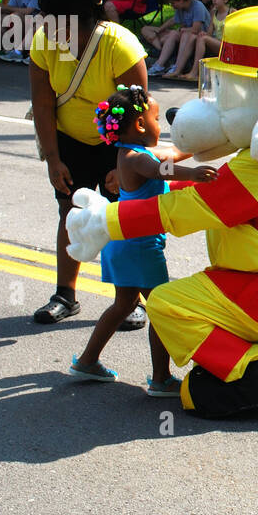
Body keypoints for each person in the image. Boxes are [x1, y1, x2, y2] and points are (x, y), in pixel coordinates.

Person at [68, 86, 217, 393]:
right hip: (139, 247)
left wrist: (210, 142)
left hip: (123, 242)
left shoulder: (129, 153)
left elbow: (173, 154)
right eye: (157, 118)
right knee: (161, 308)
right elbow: (163, 169)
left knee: (122, 305)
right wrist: (193, 174)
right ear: (139, 125)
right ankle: (161, 378)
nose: (160, 125)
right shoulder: (137, 158)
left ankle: (86, 361)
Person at [29, 0, 150, 329]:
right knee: (71, 213)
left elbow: (137, 114)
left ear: (79, 19)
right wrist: (53, 159)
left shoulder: (120, 46)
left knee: (123, 218)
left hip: (116, 143)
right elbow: (43, 104)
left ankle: (133, 299)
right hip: (69, 140)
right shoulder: (45, 44)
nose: (46, 26)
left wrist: (124, 163)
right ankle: (64, 295)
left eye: (53, 19)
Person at [144, 0, 210, 78]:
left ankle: (177, 67)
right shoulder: (180, 9)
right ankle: (159, 65)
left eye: (173, 3)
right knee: (174, 33)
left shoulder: (197, 6)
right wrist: (163, 30)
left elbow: (196, 29)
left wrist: (182, 29)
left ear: (181, 0)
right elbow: (179, 24)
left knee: (185, 33)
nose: (172, 6)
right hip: (187, 35)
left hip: (199, 35)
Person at [0, 0, 45, 64]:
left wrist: (6, 7)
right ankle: (8, 49)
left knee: (17, 15)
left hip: (37, 22)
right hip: (26, 24)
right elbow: (10, 8)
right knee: (0, 15)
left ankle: (19, 52)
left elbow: (28, 11)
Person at [192, 0, 231, 68]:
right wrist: (203, 33)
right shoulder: (213, 13)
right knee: (200, 37)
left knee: (203, 38)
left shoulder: (232, 12)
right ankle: (195, 69)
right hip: (217, 43)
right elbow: (209, 33)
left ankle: (194, 72)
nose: (214, 0)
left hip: (228, 46)